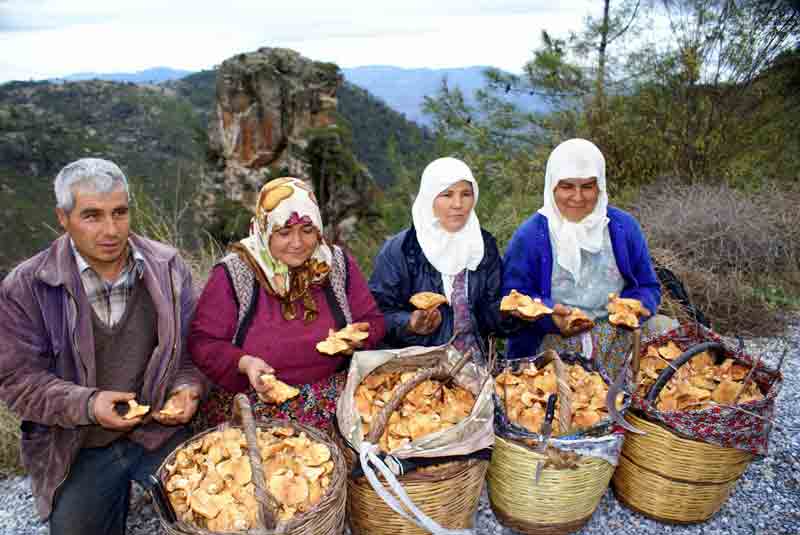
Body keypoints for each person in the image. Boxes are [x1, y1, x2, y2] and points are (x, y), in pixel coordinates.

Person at [0, 158, 206, 534]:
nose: (111, 230)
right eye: (92, 216)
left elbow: (193, 350)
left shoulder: (167, 267)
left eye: (120, 212)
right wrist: (89, 404)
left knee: (219, 508)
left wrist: (186, 388)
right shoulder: (27, 285)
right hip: (77, 443)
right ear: (63, 218)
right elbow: (17, 380)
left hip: (157, 430)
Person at [189, 177, 385, 432]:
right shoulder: (235, 273)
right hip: (254, 405)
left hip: (331, 398)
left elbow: (374, 321)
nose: (297, 243)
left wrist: (357, 339)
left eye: (307, 230)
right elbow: (202, 342)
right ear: (264, 229)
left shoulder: (335, 265)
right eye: (284, 232)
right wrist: (245, 363)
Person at [503, 138, 673, 377]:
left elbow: (647, 285)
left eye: (587, 186)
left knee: (667, 335)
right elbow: (514, 296)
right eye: (567, 186)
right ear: (552, 186)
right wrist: (551, 316)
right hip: (552, 340)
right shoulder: (531, 236)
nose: (577, 197)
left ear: (600, 186)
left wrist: (635, 305)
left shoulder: (622, 227)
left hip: (614, 334)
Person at [369, 157, 512, 360]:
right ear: (429, 197)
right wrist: (410, 323)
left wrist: (510, 314)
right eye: (447, 195)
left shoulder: (482, 246)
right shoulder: (401, 250)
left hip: (473, 362)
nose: (458, 204)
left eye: (466, 194)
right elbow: (377, 314)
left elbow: (488, 315)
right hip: (419, 366)